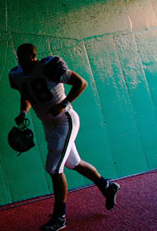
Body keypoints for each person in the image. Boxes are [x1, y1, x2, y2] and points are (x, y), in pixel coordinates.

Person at [9, 43, 120, 231]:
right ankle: (107, 186)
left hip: (64, 119)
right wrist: (23, 112)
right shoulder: (18, 75)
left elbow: (81, 83)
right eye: (18, 57)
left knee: (53, 168)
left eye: (24, 57)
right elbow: (26, 95)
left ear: (33, 56)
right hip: (48, 123)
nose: (20, 61)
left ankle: (59, 217)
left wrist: (64, 103)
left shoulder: (49, 66)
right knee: (73, 163)